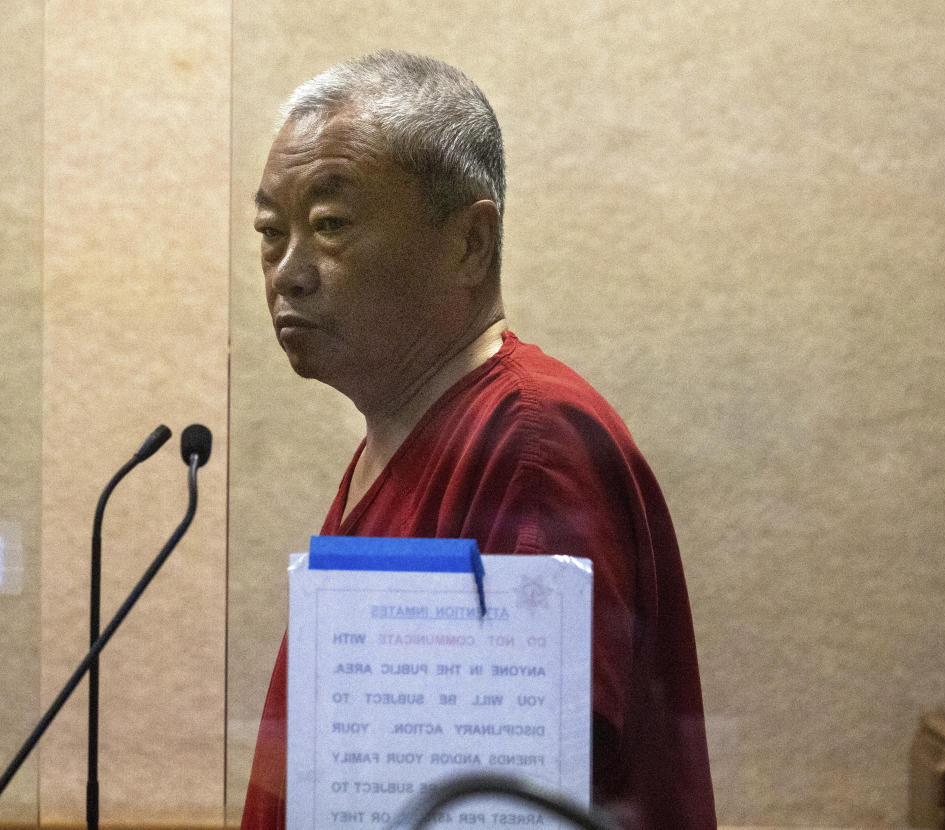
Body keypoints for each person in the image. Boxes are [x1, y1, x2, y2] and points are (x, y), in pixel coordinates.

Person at [242, 50, 716, 830]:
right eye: (270, 231)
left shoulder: (531, 444)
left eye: (329, 226)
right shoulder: (400, 433)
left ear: (470, 242)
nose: (287, 272)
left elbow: (514, 804)